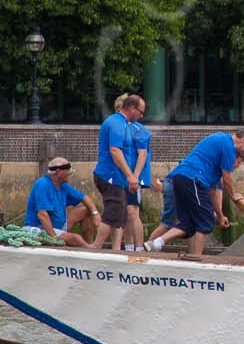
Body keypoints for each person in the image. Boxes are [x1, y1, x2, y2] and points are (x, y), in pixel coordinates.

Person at [148, 128, 244, 257]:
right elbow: (227, 177)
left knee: (188, 223)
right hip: (193, 179)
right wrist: (234, 195)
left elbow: (214, 190)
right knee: (206, 222)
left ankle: (157, 242)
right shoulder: (229, 147)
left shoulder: (218, 142)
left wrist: (220, 214)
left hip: (179, 178)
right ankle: (195, 258)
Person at [89, 93, 143, 250]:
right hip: (110, 175)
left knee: (120, 215)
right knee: (112, 212)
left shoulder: (123, 123)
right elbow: (115, 150)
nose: (141, 116)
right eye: (140, 112)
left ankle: (116, 249)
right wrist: (130, 176)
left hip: (117, 177)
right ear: (132, 109)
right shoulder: (117, 124)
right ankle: (96, 247)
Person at [24, 157, 101, 247]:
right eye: (68, 170)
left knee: (86, 210)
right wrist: (54, 239)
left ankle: (90, 242)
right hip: (40, 228)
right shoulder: (42, 184)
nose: (70, 173)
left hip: (59, 225)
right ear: (58, 172)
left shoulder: (63, 185)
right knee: (76, 238)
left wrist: (95, 214)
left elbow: (84, 198)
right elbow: (42, 215)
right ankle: (90, 249)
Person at [122, 96, 152, 253]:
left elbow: (142, 155)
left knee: (132, 212)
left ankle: (139, 248)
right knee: (126, 212)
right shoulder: (122, 127)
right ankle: (128, 247)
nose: (141, 115)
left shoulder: (140, 130)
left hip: (134, 177)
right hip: (124, 177)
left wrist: (135, 176)